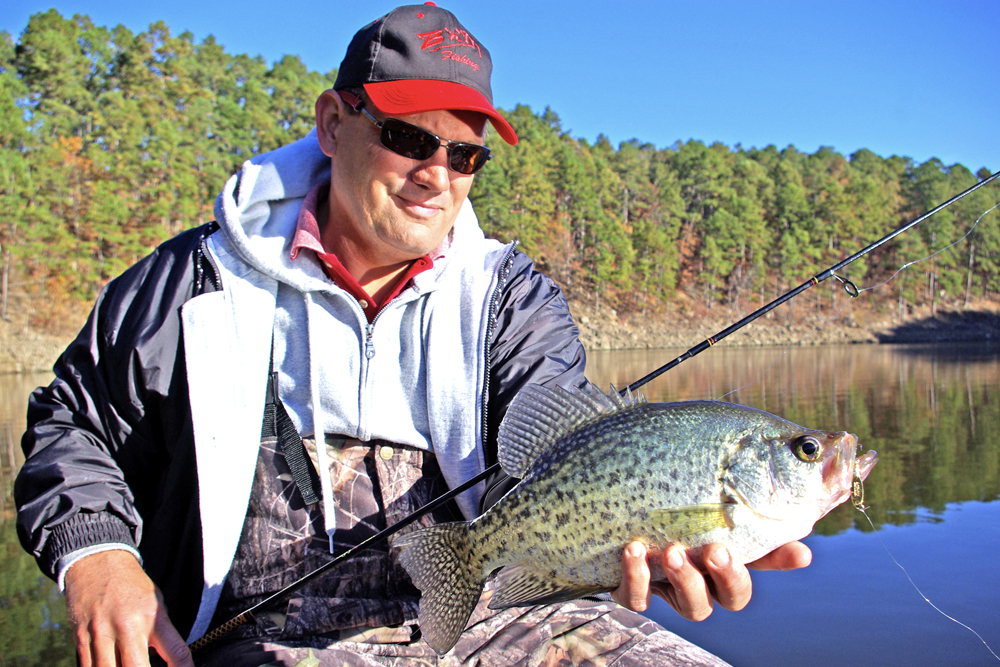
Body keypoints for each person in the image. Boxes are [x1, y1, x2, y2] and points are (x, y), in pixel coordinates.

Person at [15, 4, 810, 666]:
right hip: (262, 642)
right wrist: (98, 554)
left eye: (465, 155)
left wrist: (638, 549)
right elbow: (72, 422)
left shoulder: (511, 301)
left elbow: (564, 460)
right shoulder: (195, 284)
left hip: (493, 620)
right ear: (334, 123)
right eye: (409, 138)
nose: (438, 174)